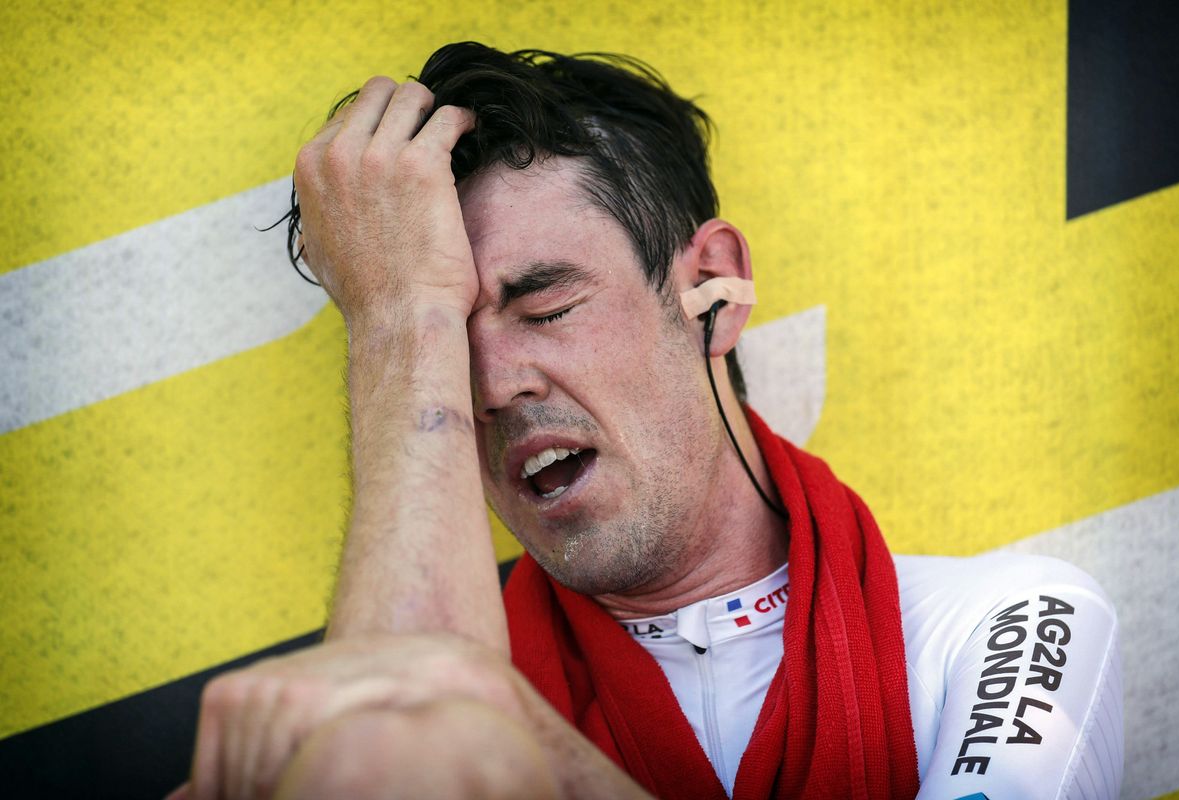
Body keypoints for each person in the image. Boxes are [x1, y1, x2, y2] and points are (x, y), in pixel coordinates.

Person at [174, 42, 1122, 800]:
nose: (494, 385)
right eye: (444, 343)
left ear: (712, 288)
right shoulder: (328, 749)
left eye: (544, 308)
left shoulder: (1003, 623)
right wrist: (393, 319)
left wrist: (493, 733)